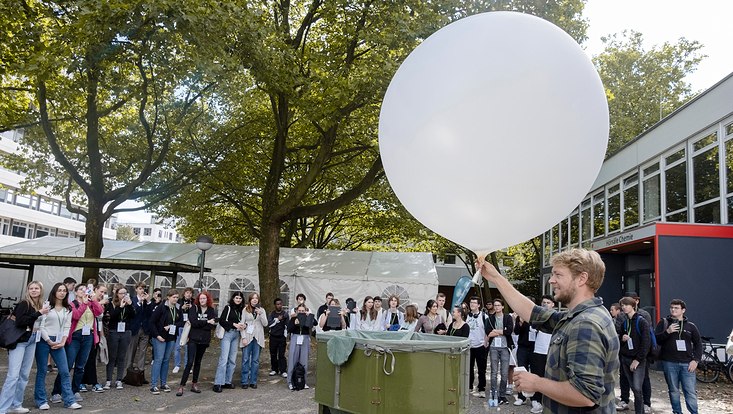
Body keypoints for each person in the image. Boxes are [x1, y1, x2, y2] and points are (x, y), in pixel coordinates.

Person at [477, 248, 619, 413]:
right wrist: (495, 277)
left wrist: (536, 383)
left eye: (558, 275)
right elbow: (533, 312)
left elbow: (585, 395)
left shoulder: (585, 324)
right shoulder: (582, 316)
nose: (551, 280)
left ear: (582, 278)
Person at [0, 281, 49, 413]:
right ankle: (3, 408)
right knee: (13, 375)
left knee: (24, 375)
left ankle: (16, 404)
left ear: (41, 290)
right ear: (28, 290)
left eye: (36, 288)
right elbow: (21, 322)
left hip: (32, 340)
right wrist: (39, 313)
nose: (34, 290)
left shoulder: (40, 304)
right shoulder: (24, 303)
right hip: (20, 341)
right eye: (31, 288)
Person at [51, 284, 104, 404]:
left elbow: (100, 312)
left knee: (81, 366)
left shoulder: (90, 303)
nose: (83, 291)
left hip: (88, 336)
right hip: (75, 337)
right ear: (75, 292)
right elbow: (75, 316)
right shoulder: (71, 304)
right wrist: (84, 304)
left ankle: (75, 390)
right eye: (80, 289)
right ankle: (57, 392)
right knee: (68, 365)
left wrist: (93, 299)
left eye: (85, 289)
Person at [35, 283, 80, 411]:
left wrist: (63, 341)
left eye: (64, 290)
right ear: (54, 292)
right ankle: (41, 400)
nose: (62, 292)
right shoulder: (47, 306)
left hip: (60, 341)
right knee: (42, 370)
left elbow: (67, 326)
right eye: (59, 290)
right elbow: (41, 325)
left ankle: (69, 400)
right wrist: (49, 340)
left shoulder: (68, 309)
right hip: (44, 341)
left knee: (65, 371)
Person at [655, 299, 702, 414]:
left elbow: (698, 344)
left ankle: (694, 412)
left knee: (690, 391)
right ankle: (677, 411)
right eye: (671, 307)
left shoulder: (691, 326)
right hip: (669, 362)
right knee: (673, 390)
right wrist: (667, 332)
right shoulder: (664, 323)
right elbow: (656, 340)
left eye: (676, 308)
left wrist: (696, 360)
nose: (673, 310)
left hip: (687, 363)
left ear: (683, 310)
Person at [177, 290, 217, 396]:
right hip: (193, 339)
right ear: (198, 300)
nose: (202, 300)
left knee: (198, 362)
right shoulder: (194, 308)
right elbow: (193, 322)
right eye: (200, 298)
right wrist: (207, 322)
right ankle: (182, 385)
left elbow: (211, 326)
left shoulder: (211, 310)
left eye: (204, 298)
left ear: (207, 299)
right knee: (190, 362)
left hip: (204, 340)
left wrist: (205, 323)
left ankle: (194, 384)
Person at [617, 296, 650, 414]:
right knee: (633, 387)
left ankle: (639, 410)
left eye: (626, 305)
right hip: (625, 358)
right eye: (622, 305)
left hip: (637, 360)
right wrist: (622, 339)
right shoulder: (625, 322)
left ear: (633, 306)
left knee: (637, 388)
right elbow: (619, 340)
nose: (624, 307)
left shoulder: (642, 322)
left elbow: (646, 342)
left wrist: (638, 359)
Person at [149, 289, 183, 395]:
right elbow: (152, 322)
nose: (175, 299)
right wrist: (157, 335)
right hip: (160, 337)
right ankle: (153, 385)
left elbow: (181, 321)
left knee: (166, 360)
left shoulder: (178, 308)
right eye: (173, 297)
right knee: (158, 359)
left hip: (171, 337)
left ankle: (163, 383)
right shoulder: (161, 307)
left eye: (177, 297)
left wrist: (172, 326)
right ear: (168, 297)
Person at [104, 284, 135, 390]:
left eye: (125, 293)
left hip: (125, 332)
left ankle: (119, 379)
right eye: (121, 293)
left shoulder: (128, 304)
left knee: (121, 357)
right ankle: (108, 380)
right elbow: (111, 317)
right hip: (114, 331)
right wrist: (120, 307)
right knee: (112, 357)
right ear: (117, 294)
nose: (123, 295)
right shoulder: (111, 303)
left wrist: (130, 305)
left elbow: (133, 316)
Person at [213, 291, 245, 393]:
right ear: (233, 299)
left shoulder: (242, 310)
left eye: (240, 298)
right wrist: (234, 324)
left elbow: (245, 321)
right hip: (228, 333)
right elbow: (222, 320)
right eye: (236, 298)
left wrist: (244, 326)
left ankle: (227, 381)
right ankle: (218, 383)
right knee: (224, 359)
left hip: (236, 335)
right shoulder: (228, 308)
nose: (238, 300)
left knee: (232, 359)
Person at [527, 296, 554, 414]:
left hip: (551, 352)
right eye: (544, 302)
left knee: (550, 378)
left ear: (553, 304)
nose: (546, 304)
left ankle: (548, 401)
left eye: (548, 302)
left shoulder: (556, 318)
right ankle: (535, 401)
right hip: (538, 351)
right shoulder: (537, 318)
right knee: (537, 376)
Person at [81, 282, 108, 393]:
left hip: (96, 332)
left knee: (92, 358)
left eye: (105, 292)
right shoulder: (90, 301)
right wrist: (98, 303)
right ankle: (84, 382)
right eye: (101, 291)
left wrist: (101, 335)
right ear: (95, 290)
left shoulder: (101, 303)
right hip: (85, 331)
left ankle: (91, 381)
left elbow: (100, 320)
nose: (102, 294)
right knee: (85, 358)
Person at [487, 298, 514, 405]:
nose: (497, 307)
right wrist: (502, 331)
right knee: (493, 372)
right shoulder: (490, 318)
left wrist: (496, 331)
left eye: (499, 305)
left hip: (505, 348)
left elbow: (509, 331)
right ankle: (493, 393)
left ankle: (502, 395)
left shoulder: (508, 317)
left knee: (504, 373)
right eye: (495, 305)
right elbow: (488, 332)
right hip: (493, 347)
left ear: (503, 307)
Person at [240, 292, 267, 389]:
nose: (255, 300)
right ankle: (244, 381)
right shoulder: (245, 309)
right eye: (253, 298)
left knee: (255, 360)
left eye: (256, 298)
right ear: (250, 300)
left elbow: (265, 324)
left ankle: (253, 380)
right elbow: (241, 324)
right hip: (248, 336)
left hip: (258, 337)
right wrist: (243, 337)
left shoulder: (262, 310)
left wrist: (261, 314)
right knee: (245, 359)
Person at [513, 296, 536, 407]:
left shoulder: (537, 317)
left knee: (534, 371)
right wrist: (520, 322)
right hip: (522, 347)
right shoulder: (520, 315)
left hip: (534, 348)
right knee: (521, 371)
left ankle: (535, 398)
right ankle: (521, 396)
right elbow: (516, 332)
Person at [466, 296, 489, 398]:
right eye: (471, 303)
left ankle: (481, 388)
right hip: (469, 346)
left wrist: (485, 342)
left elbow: (488, 331)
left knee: (481, 369)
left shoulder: (484, 317)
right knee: (468, 368)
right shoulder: (466, 316)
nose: (472, 304)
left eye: (475, 303)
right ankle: (469, 386)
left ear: (479, 305)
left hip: (480, 346)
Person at [125, 282, 150, 373]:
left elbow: (150, 314)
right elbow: (133, 311)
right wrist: (139, 302)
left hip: (145, 328)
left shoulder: (146, 301)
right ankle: (128, 370)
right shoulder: (133, 300)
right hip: (135, 328)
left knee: (142, 351)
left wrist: (148, 301)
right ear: (136, 289)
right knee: (131, 350)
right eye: (140, 288)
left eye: (143, 288)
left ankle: (141, 371)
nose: (142, 290)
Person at [287, 303, 312, 390]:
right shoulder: (294, 318)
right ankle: (290, 381)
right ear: (297, 311)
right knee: (292, 359)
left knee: (304, 360)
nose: (301, 312)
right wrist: (294, 323)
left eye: (303, 311)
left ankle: (303, 381)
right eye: (300, 311)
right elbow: (289, 329)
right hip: (295, 337)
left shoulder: (307, 317)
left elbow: (314, 324)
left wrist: (309, 316)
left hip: (304, 338)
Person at [172, 287, 194, 374]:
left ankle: (187, 366)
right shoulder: (178, 301)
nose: (189, 294)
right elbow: (175, 312)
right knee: (177, 347)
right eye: (187, 292)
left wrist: (191, 308)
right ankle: (177, 365)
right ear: (184, 293)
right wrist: (182, 308)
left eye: (190, 293)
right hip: (180, 326)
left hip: (189, 327)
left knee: (188, 347)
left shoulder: (194, 302)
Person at [267, 298, 288, 378]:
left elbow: (287, 325)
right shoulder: (272, 314)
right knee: (273, 353)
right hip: (273, 337)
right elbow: (269, 324)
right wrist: (277, 320)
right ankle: (274, 369)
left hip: (282, 337)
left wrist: (286, 334)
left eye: (280, 304)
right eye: (277, 304)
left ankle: (283, 370)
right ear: (275, 305)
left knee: (281, 354)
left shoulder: (285, 314)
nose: (279, 305)